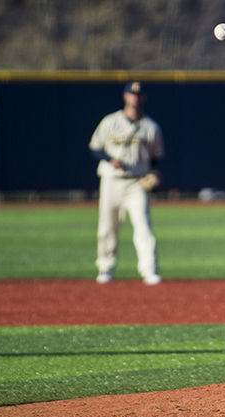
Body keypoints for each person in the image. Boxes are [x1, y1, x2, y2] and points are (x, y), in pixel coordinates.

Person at [89, 81, 164, 285]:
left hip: (136, 183)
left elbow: (156, 156)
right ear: (125, 96)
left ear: (144, 98)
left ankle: (149, 270)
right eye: (132, 94)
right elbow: (95, 147)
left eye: (139, 95)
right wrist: (108, 159)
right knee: (107, 227)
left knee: (143, 226)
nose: (135, 98)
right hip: (111, 181)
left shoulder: (151, 127)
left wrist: (153, 172)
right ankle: (106, 268)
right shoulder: (110, 122)